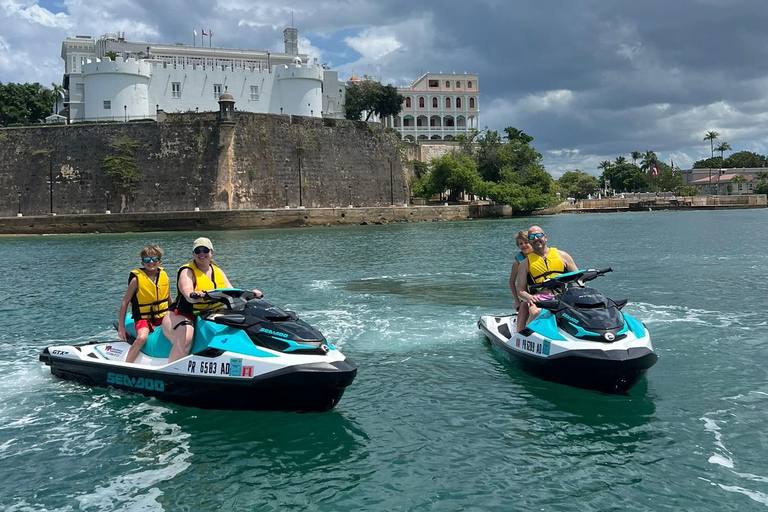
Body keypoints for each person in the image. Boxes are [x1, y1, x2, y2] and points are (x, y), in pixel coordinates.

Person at [163, 237, 263, 363]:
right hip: (183, 315)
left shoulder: (217, 271)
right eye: (198, 251)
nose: (202, 254)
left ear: (211, 252)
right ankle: (173, 370)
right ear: (193, 254)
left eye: (205, 250)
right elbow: (187, 291)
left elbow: (232, 291)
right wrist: (194, 294)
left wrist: (251, 294)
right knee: (186, 337)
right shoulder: (187, 271)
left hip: (210, 314)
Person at [515, 226, 577, 331]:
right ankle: (525, 335)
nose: (536, 238)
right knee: (535, 312)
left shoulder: (563, 256)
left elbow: (578, 278)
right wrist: (529, 297)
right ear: (529, 241)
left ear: (545, 238)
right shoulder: (525, 264)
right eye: (532, 237)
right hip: (541, 297)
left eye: (538, 235)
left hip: (564, 295)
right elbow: (520, 289)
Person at [117, 244, 171, 363]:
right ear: (142, 263)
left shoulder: (164, 277)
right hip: (143, 318)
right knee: (142, 338)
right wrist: (121, 328)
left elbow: (168, 299)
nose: (151, 262)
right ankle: (127, 365)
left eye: (155, 259)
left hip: (162, 316)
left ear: (160, 261)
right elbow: (124, 303)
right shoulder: (136, 280)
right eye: (147, 259)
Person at [508, 230, 533, 324]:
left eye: (526, 242)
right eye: (520, 244)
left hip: (541, 292)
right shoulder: (517, 262)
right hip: (525, 294)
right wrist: (516, 301)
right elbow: (511, 281)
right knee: (523, 310)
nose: (524, 245)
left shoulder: (540, 257)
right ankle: (520, 331)